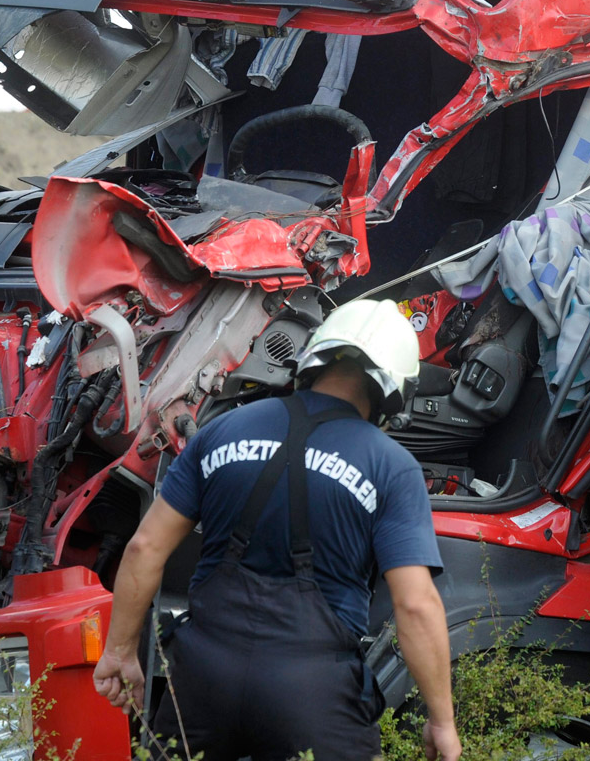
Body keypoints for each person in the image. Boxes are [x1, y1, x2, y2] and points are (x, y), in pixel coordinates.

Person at [93, 299, 462, 761]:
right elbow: (414, 603)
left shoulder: (221, 431)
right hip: (313, 696)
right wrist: (442, 720)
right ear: (394, 391)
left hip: (202, 678)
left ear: (312, 359)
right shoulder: (391, 467)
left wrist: (121, 652)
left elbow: (145, 547)